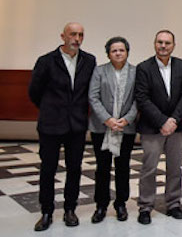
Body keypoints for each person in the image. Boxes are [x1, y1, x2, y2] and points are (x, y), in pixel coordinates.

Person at [29, 22, 96, 231]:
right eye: (73, 34)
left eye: (81, 35)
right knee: (48, 169)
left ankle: (70, 209)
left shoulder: (89, 60)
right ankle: (46, 211)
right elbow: (34, 92)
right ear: (63, 36)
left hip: (76, 125)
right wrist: (52, 109)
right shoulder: (46, 61)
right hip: (51, 124)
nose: (77, 38)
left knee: (74, 168)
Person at [134, 29, 182, 224]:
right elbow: (142, 98)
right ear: (154, 44)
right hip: (152, 128)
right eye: (160, 42)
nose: (163, 46)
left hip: (177, 127)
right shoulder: (143, 68)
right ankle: (145, 206)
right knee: (149, 168)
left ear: (174, 45)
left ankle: (173, 203)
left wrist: (173, 120)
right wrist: (162, 121)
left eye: (167, 43)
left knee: (175, 167)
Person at [87, 36, 136, 223]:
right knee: (102, 168)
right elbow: (93, 97)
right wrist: (107, 119)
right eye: (114, 50)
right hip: (102, 128)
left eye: (121, 50)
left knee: (123, 167)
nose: (118, 53)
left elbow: (138, 99)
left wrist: (126, 119)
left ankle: (121, 204)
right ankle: (101, 205)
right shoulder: (99, 71)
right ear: (108, 53)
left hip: (126, 128)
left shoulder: (135, 72)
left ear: (127, 52)